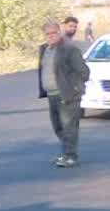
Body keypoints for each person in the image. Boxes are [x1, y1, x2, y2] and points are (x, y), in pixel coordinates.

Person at [37, 19, 90, 168]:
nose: (51, 36)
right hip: (52, 95)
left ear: (59, 32)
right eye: (48, 34)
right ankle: (66, 152)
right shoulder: (44, 49)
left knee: (69, 127)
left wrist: (74, 89)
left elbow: (84, 72)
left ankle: (71, 156)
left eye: (54, 33)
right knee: (58, 127)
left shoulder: (69, 49)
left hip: (67, 95)